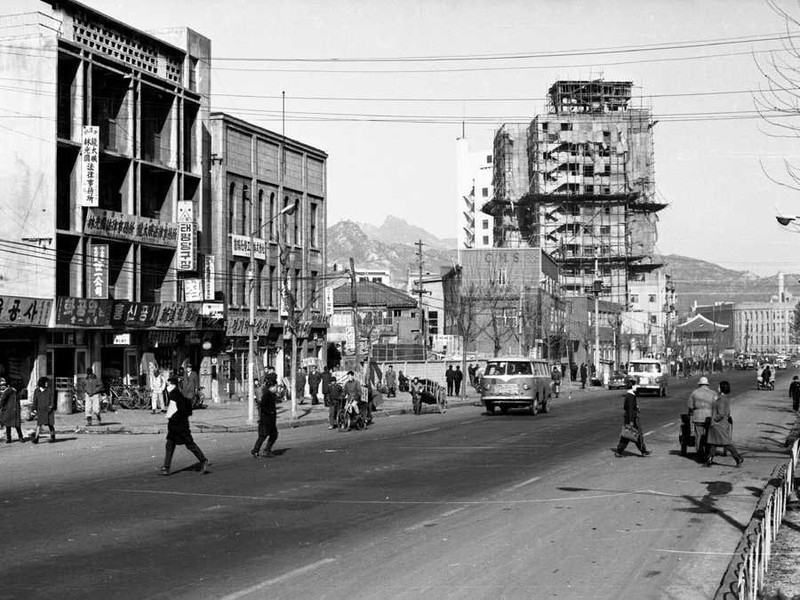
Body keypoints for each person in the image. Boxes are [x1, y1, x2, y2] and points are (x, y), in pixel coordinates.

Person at [161, 376, 208, 476]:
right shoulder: (174, 394)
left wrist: (173, 417)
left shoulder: (176, 395)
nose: (167, 387)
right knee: (170, 444)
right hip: (175, 426)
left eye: (168, 385)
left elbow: (182, 410)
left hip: (180, 426)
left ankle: (203, 460)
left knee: (190, 444)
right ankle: (166, 466)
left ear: (173, 385)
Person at [705, 380, 744, 467]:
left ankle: (738, 457)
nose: (717, 388)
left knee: (725, 443)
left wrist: (714, 419)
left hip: (718, 424)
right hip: (722, 424)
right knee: (713, 442)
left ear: (722, 388)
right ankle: (709, 459)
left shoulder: (721, 400)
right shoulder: (725, 398)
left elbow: (721, 413)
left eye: (719, 386)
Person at [614, 386, 651, 457]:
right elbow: (630, 409)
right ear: (633, 387)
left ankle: (643, 450)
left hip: (629, 418)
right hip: (631, 419)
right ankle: (619, 451)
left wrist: (636, 407)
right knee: (628, 436)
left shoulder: (628, 395)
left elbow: (625, 407)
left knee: (632, 435)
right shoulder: (631, 396)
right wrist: (631, 421)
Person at [687, 376, 716, 463]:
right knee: (709, 436)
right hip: (709, 417)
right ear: (707, 384)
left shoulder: (694, 393)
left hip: (698, 417)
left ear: (699, 384)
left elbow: (690, 406)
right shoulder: (713, 393)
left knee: (698, 437)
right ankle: (708, 454)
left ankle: (700, 455)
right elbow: (716, 405)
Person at [252, 382, 279, 457]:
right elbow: (262, 406)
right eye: (275, 387)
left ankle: (266, 450)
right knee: (263, 436)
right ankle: (256, 450)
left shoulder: (271, 395)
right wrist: (270, 412)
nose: (276, 388)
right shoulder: (267, 395)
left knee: (273, 435)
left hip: (270, 420)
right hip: (266, 420)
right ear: (271, 387)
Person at [31, 376, 56, 444]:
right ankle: (36, 438)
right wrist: (34, 409)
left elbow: (52, 400)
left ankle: (52, 436)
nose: (47, 384)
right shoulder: (37, 391)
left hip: (48, 410)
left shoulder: (49, 390)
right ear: (42, 383)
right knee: (39, 425)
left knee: (50, 424)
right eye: (46, 382)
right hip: (40, 410)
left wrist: (51, 407)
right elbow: (35, 401)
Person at [0, 378, 25, 443]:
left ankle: (20, 437)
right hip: (9, 411)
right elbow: (3, 400)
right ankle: (9, 438)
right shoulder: (8, 391)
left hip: (16, 411)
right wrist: (4, 407)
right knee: (8, 425)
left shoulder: (17, 391)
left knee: (17, 425)